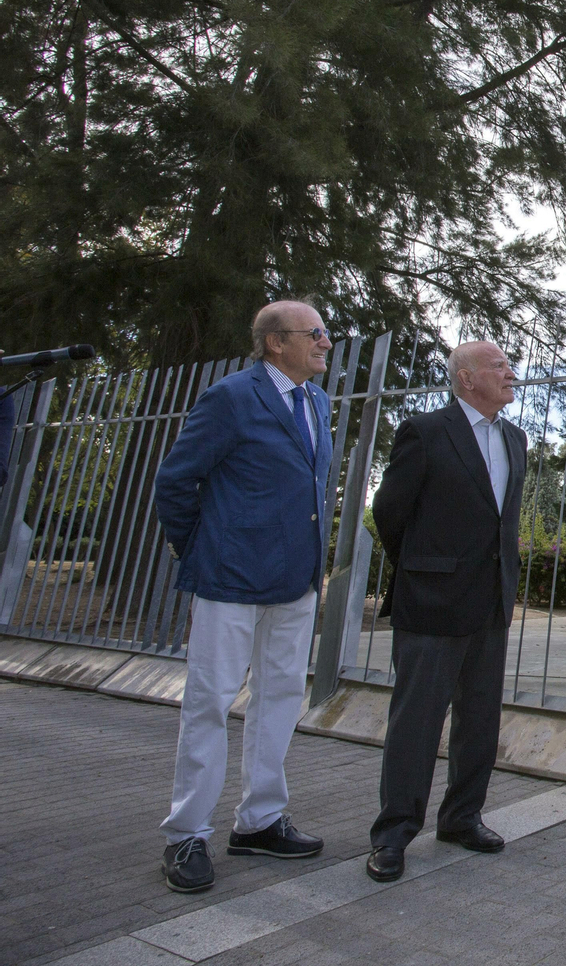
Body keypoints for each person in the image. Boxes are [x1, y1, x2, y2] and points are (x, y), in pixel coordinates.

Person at [152, 301, 335, 893]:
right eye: (315, 333)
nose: (326, 342)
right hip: (229, 578)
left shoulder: (317, 401)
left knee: (279, 697)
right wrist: (202, 548)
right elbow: (175, 480)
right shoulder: (231, 397)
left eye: (326, 334)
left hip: (295, 581)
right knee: (209, 701)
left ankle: (259, 821)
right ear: (276, 342)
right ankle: (187, 833)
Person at [365, 341, 527, 883]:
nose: (510, 372)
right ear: (466, 379)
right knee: (416, 722)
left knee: (479, 719)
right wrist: (425, 569)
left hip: (490, 602)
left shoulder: (516, 439)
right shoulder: (426, 431)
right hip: (432, 603)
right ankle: (393, 834)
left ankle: (461, 818)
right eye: (498, 365)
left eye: (508, 364)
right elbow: (389, 512)